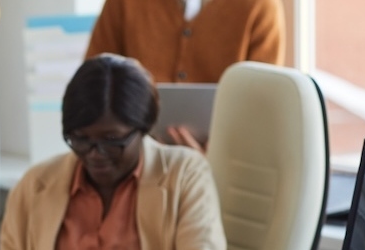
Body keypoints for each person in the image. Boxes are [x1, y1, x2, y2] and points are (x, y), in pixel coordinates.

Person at [0, 54, 227, 250]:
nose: (95, 154)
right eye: (81, 139)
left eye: (112, 140)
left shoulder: (184, 173)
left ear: (144, 129)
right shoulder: (37, 183)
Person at [85, 0, 285, 149]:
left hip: (226, 169)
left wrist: (216, 155)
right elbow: (91, 86)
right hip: (133, 163)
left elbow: (261, 107)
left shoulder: (260, 6)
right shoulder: (123, 4)